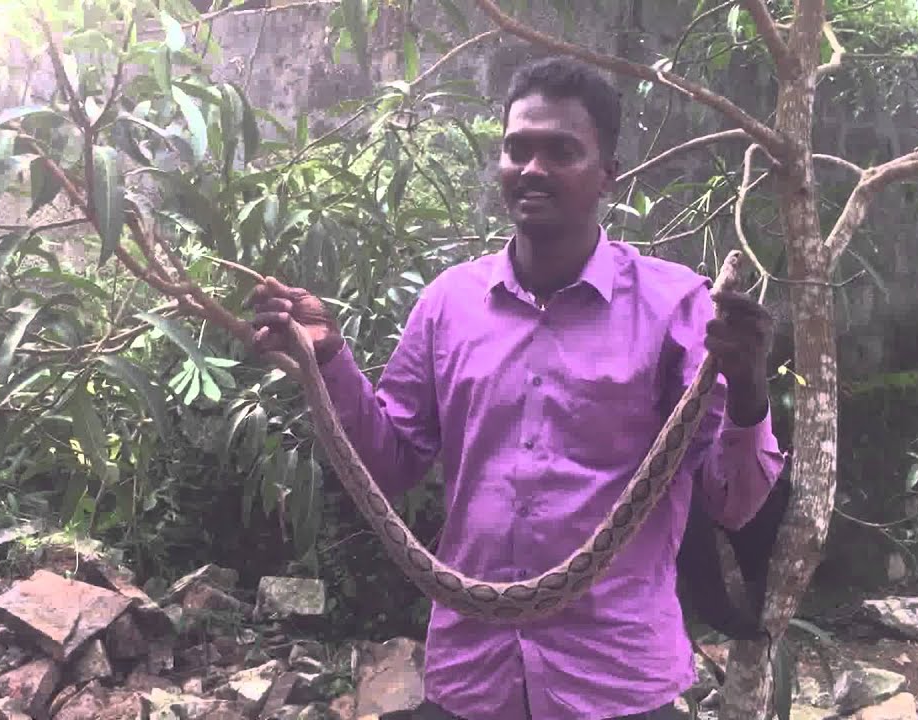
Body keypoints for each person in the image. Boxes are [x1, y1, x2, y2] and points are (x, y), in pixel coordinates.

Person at [246, 56, 786, 720]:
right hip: (473, 676)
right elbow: (387, 464)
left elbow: (734, 504)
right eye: (516, 149)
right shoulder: (448, 304)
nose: (532, 168)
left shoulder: (680, 307)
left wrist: (750, 389)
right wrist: (327, 361)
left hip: (615, 681)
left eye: (561, 150)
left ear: (606, 175)